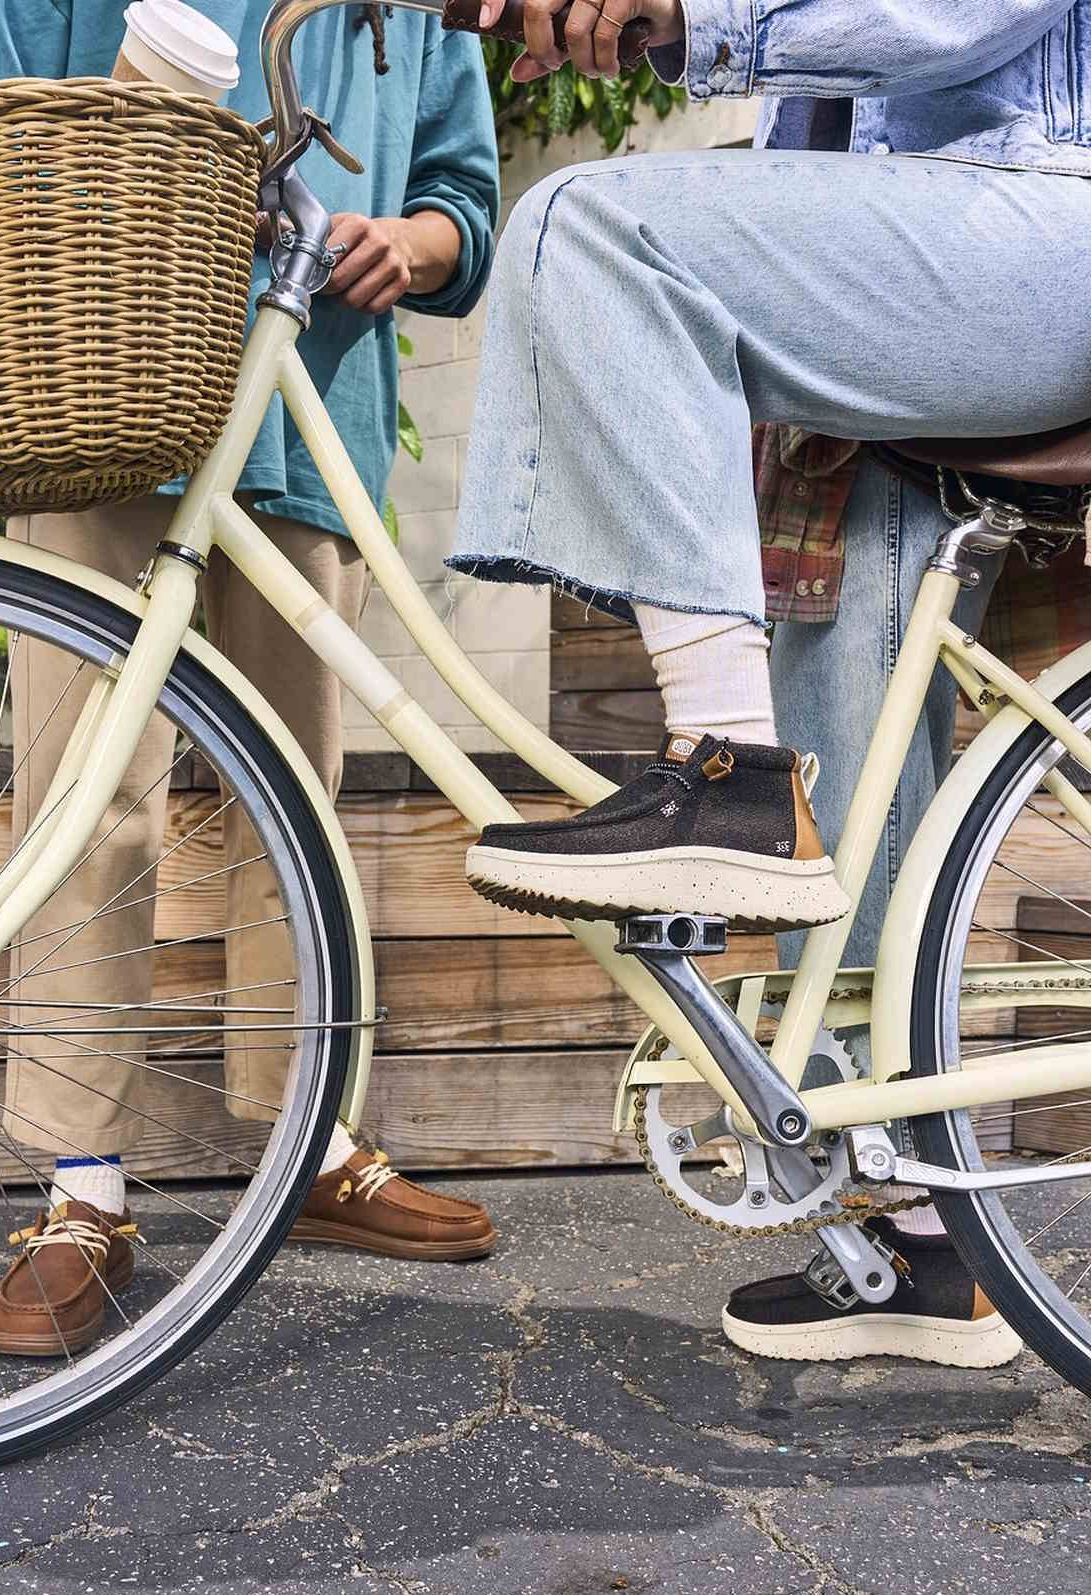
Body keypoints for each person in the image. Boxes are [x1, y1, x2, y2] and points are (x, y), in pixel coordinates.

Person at [450, 0, 1091, 1364]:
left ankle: (730, 783)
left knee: (593, 227)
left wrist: (698, 18)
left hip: (1049, 208)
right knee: (845, 710)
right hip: (938, 234)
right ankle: (925, 1237)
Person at [0, 0, 503, 1358]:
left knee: (295, 792)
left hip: (307, 402)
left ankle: (309, 1144)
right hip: (88, 397)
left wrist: (408, 242)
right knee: (81, 790)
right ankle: (81, 1194)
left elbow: (465, 199)